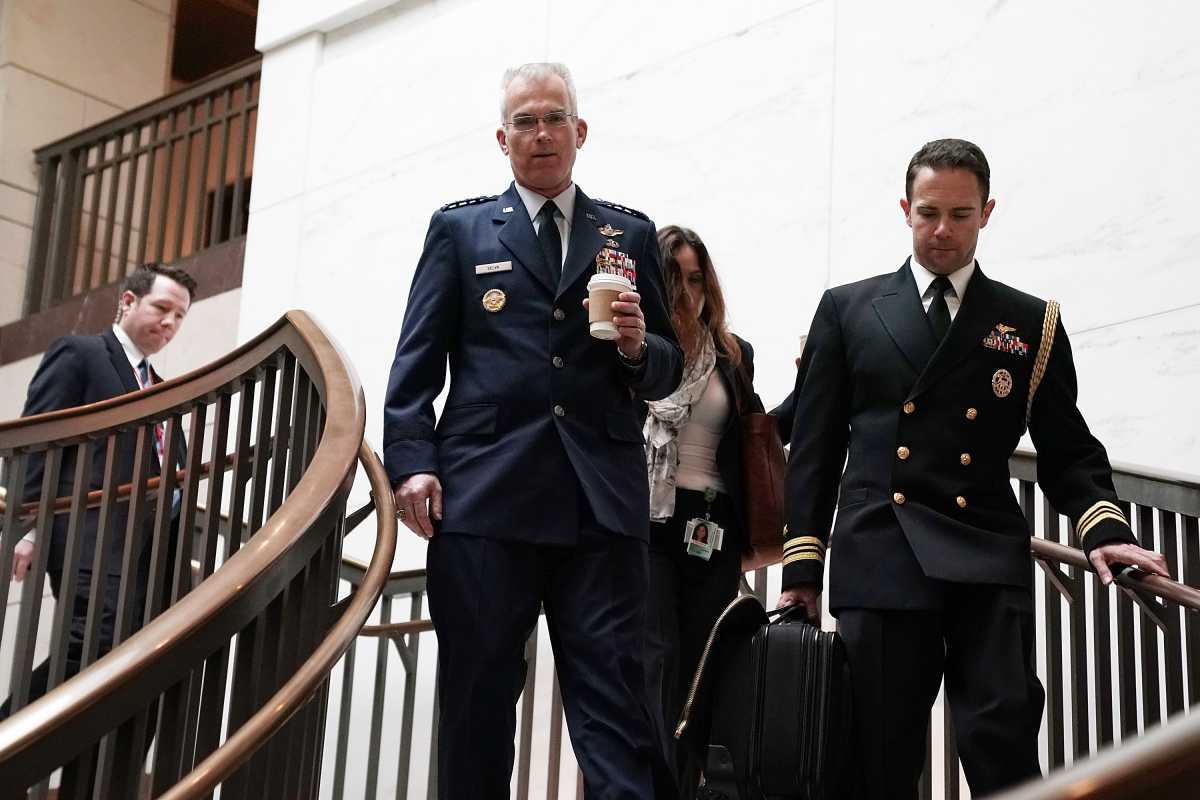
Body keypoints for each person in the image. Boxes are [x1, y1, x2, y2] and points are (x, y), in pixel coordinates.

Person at [775, 139, 1169, 798]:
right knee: (877, 758)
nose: (942, 231)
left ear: (987, 211)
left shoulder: (1028, 320)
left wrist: (1104, 530)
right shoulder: (848, 310)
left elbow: (1068, 447)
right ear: (905, 209)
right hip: (882, 555)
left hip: (986, 557)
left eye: (960, 215)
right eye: (928, 212)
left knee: (1003, 741)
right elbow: (814, 450)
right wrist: (802, 570)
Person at [382, 62, 683, 799]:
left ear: (579, 132)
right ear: (502, 138)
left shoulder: (630, 233)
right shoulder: (459, 230)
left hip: (600, 506)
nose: (540, 133)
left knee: (616, 706)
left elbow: (668, 370)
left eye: (553, 119)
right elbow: (416, 362)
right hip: (486, 498)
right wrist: (413, 462)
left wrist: (642, 351)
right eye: (524, 122)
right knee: (478, 706)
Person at [1, 264, 194, 782]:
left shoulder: (161, 387)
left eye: (179, 317)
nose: (170, 324)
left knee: (130, 669)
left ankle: (93, 780)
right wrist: (29, 527)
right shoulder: (80, 353)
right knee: (91, 645)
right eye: (161, 309)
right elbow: (40, 437)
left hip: (146, 556)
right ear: (128, 302)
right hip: (88, 538)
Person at [641, 225, 762, 799]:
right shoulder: (630, 352)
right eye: (674, 280)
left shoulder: (734, 357)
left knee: (702, 671)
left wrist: (817, 377)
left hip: (708, 526)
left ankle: (686, 787)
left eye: (696, 279)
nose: (688, 294)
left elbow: (760, 434)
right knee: (652, 664)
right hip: (643, 525)